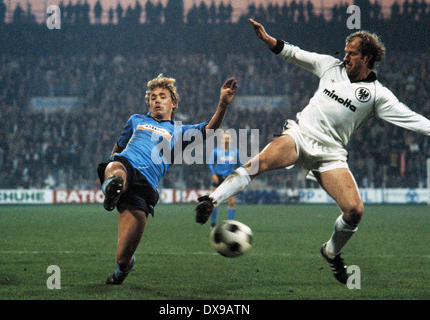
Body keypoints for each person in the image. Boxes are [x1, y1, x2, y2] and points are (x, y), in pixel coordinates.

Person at [195, 19, 430, 284]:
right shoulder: (330, 66)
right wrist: (266, 38)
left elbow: (413, 120)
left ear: (368, 57)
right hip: (300, 135)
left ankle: (331, 251)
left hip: (331, 154)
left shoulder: (378, 95)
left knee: (354, 212)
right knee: (256, 163)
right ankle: (211, 200)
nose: (345, 57)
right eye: (345, 51)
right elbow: (294, 54)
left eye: (352, 53)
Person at [98, 74, 238, 285]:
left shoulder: (180, 131)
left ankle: (121, 271)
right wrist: (111, 165)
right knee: (117, 168)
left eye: (162, 96)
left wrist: (223, 105)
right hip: (126, 166)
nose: (156, 100)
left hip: (145, 187)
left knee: (123, 258)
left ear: (173, 103)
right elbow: (119, 147)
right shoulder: (136, 120)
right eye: (153, 97)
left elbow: (210, 130)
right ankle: (113, 188)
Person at [207, 133, 242, 228]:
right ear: (221, 140)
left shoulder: (235, 151)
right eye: (224, 139)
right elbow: (210, 163)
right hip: (218, 177)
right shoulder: (216, 151)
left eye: (228, 139)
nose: (226, 141)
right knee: (215, 201)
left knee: (231, 202)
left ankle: (231, 224)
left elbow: (240, 164)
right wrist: (213, 173)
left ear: (230, 141)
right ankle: (213, 223)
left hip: (230, 178)